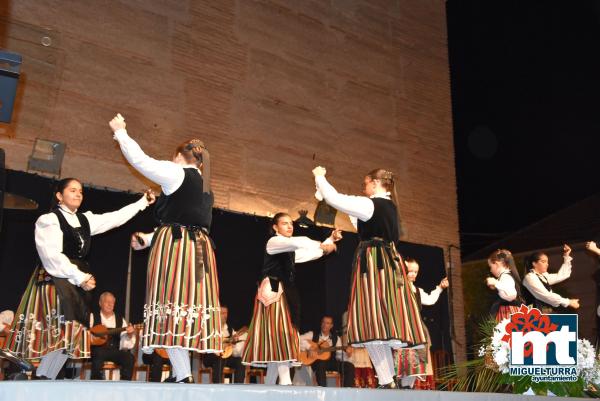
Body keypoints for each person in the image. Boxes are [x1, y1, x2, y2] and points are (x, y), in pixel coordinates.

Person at [110, 113, 221, 383]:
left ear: (180, 157)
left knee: (169, 304)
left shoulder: (176, 172)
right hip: (200, 250)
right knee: (181, 307)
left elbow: (141, 161)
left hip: (177, 249)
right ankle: (183, 373)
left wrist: (121, 132)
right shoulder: (207, 187)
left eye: (173, 157)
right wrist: (148, 239)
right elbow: (185, 219)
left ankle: (182, 373)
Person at [4, 177, 152, 379]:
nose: (77, 194)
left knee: (70, 337)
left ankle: (44, 378)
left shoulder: (85, 220)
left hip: (77, 283)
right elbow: (51, 256)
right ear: (59, 195)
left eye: (80, 191)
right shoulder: (49, 220)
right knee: (57, 333)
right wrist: (79, 276)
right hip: (55, 281)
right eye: (72, 190)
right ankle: (37, 376)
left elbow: (114, 218)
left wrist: (142, 202)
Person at [313, 167, 427, 388]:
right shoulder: (389, 207)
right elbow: (356, 218)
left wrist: (319, 176)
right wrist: (322, 191)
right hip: (388, 263)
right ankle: (397, 381)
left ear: (375, 183)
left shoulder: (371, 204)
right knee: (389, 321)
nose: (363, 188)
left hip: (374, 265)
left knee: (372, 320)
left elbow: (335, 199)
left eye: (365, 183)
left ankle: (391, 380)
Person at [242, 212, 339, 385]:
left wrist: (329, 241)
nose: (289, 226)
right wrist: (322, 245)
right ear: (275, 227)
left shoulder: (289, 251)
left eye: (291, 224)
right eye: (284, 223)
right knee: (281, 335)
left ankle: (269, 387)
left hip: (285, 294)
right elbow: (298, 242)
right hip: (273, 293)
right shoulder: (274, 242)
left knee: (280, 337)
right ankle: (285, 383)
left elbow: (312, 253)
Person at [397, 258, 449, 389]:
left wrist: (440, 288)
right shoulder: (398, 288)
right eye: (410, 271)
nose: (413, 274)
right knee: (405, 359)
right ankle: (403, 387)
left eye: (416, 271)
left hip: (417, 329)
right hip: (403, 327)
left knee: (415, 361)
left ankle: (408, 387)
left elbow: (430, 300)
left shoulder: (417, 290)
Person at [89, 292, 136, 380]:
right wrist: (93, 339)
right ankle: (95, 382)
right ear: (100, 303)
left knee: (129, 357)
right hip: (97, 351)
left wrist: (130, 334)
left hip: (114, 351)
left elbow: (126, 343)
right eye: (107, 302)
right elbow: (85, 334)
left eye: (112, 302)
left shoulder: (120, 319)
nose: (110, 304)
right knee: (98, 354)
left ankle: (125, 383)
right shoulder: (92, 317)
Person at [299, 315, 355, 387]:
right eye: (323, 322)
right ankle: (323, 389)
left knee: (349, 366)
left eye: (327, 323)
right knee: (321, 363)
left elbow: (339, 356)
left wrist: (347, 354)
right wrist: (309, 347)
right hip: (317, 363)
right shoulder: (313, 334)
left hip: (332, 363)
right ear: (321, 323)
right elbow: (299, 339)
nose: (324, 325)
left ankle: (347, 391)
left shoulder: (336, 338)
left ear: (331, 326)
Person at [522, 245, 578, 313]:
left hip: (544, 312)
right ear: (534, 264)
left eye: (547, 262)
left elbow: (562, 275)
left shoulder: (543, 276)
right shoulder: (530, 277)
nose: (547, 264)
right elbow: (546, 295)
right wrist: (568, 302)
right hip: (534, 315)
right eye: (543, 261)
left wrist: (566, 256)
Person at [202, 306, 247, 383]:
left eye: (226, 313)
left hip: (225, 356)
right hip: (211, 356)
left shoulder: (229, 328)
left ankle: (238, 386)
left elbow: (232, 348)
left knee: (240, 361)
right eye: (222, 313)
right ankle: (217, 386)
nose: (224, 315)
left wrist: (233, 343)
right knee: (220, 358)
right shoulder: (211, 327)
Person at [486, 249, 525, 321]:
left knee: (508, 331)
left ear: (497, 264)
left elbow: (511, 295)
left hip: (508, 313)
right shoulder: (507, 276)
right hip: (512, 311)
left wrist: (496, 283)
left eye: (491, 267)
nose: (490, 270)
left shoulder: (505, 276)